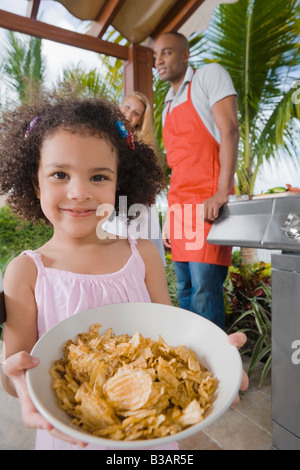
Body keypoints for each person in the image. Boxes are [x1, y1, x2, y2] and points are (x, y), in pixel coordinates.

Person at [0, 93, 247, 451]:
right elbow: (15, 374)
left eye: (99, 176)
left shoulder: (143, 254)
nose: (80, 191)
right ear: (36, 184)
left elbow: (169, 336)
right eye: (59, 174)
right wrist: (13, 376)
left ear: (120, 185)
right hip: (65, 439)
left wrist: (212, 360)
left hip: (151, 442)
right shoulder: (26, 272)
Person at [153, 32, 239, 330]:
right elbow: (177, 166)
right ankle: (192, 363)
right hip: (180, 207)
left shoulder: (208, 77)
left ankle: (216, 368)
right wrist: (169, 218)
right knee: (184, 289)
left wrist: (220, 193)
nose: (158, 61)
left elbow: (229, 131)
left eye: (165, 53)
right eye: (155, 56)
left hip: (207, 204)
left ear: (185, 55)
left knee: (204, 288)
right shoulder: (167, 105)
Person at [104, 91, 166, 265]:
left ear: (140, 121)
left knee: (137, 261)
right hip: (109, 207)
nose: (129, 114)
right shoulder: (101, 135)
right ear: (120, 106)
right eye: (127, 107)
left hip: (132, 208)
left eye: (136, 113)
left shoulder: (140, 148)